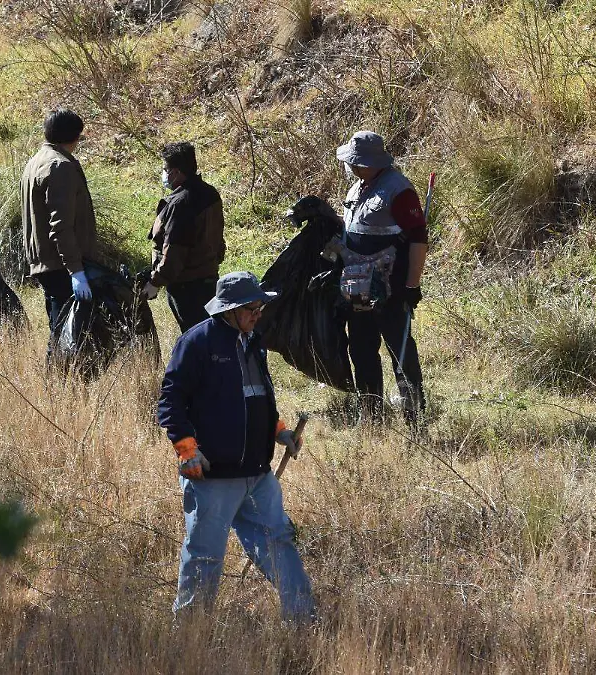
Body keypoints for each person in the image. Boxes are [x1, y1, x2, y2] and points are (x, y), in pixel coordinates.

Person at [157, 272, 315, 622]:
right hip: (213, 477)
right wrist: (187, 450)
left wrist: (280, 433)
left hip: (258, 474)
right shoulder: (197, 343)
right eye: (251, 307)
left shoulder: (254, 342)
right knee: (205, 557)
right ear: (228, 310)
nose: (258, 313)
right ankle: (191, 633)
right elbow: (170, 401)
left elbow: (257, 399)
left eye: (260, 306)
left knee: (281, 543)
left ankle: (304, 620)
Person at [335, 130, 428, 424]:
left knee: (401, 353)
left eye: (353, 161)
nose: (349, 166)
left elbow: (418, 239)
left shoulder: (399, 191)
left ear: (367, 162)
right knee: (361, 351)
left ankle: (414, 416)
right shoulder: (357, 188)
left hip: (392, 291)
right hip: (357, 290)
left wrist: (411, 285)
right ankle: (371, 414)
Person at [21, 109, 98, 355]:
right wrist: (76, 270)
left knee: (61, 328)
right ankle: (60, 384)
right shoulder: (60, 166)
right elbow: (60, 224)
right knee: (66, 333)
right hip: (61, 264)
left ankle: (58, 381)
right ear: (73, 137)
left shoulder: (35, 161)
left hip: (47, 261)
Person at [140, 141, 226, 333]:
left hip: (187, 288)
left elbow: (175, 252)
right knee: (208, 336)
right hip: (209, 280)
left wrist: (155, 282)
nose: (164, 175)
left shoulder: (181, 203)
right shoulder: (210, 193)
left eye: (165, 170)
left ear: (176, 172)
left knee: (195, 341)